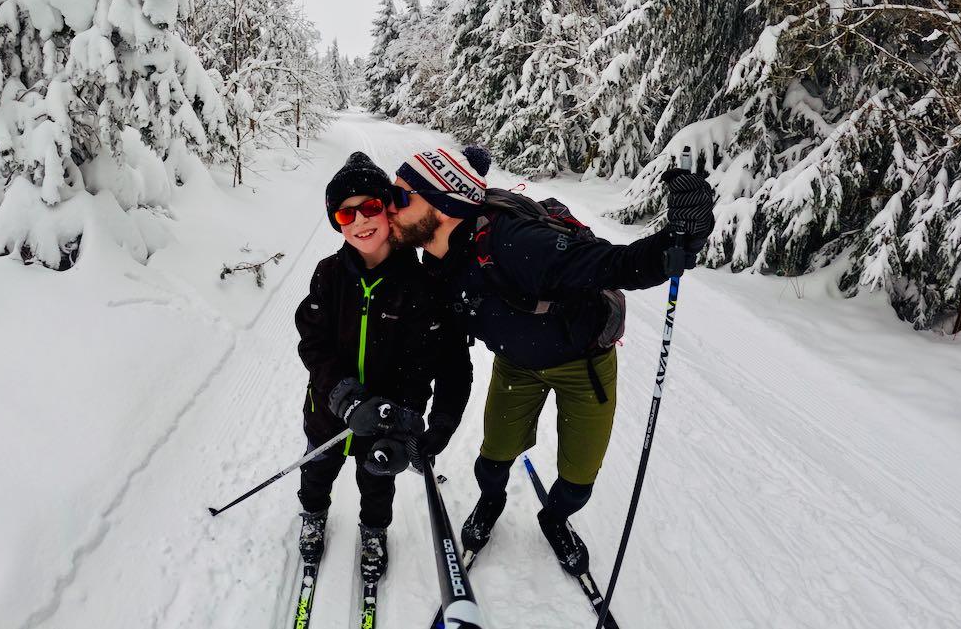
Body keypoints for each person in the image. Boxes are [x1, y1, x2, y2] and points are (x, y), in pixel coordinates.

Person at [387, 145, 715, 574]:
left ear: (444, 205)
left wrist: (682, 237)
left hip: (584, 365)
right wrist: (440, 424)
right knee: (492, 459)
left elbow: (614, 264)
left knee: (579, 481)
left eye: (400, 197)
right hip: (515, 366)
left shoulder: (517, 244)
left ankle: (555, 518)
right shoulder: (433, 266)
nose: (389, 208)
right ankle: (491, 502)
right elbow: (450, 355)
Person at [294, 151, 473, 583]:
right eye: (345, 213)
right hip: (328, 413)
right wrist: (342, 395)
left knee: (377, 483)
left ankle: (374, 531)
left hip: (384, 421)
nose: (359, 221)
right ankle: (313, 514)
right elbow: (313, 342)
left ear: (388, 209)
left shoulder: (421, 284)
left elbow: (428, 359)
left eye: (370, 207)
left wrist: (410, 410)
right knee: (317, 469)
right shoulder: (328, 274)